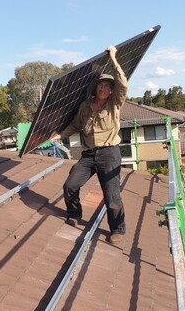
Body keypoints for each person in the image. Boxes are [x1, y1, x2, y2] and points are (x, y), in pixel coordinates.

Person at [51, 45, 128, 245]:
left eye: (106, 86)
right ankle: (74, 215)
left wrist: (113, 58)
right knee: (70, 185)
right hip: (88, 154)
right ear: (95, 88)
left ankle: (117, 229)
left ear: (111, 91)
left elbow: (123, 84)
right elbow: (76, 124)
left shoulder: (114, 104)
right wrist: (60, 135)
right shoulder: (86, 105)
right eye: (100, 86)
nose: (102, 89)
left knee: (112, 195)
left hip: (109, 153)